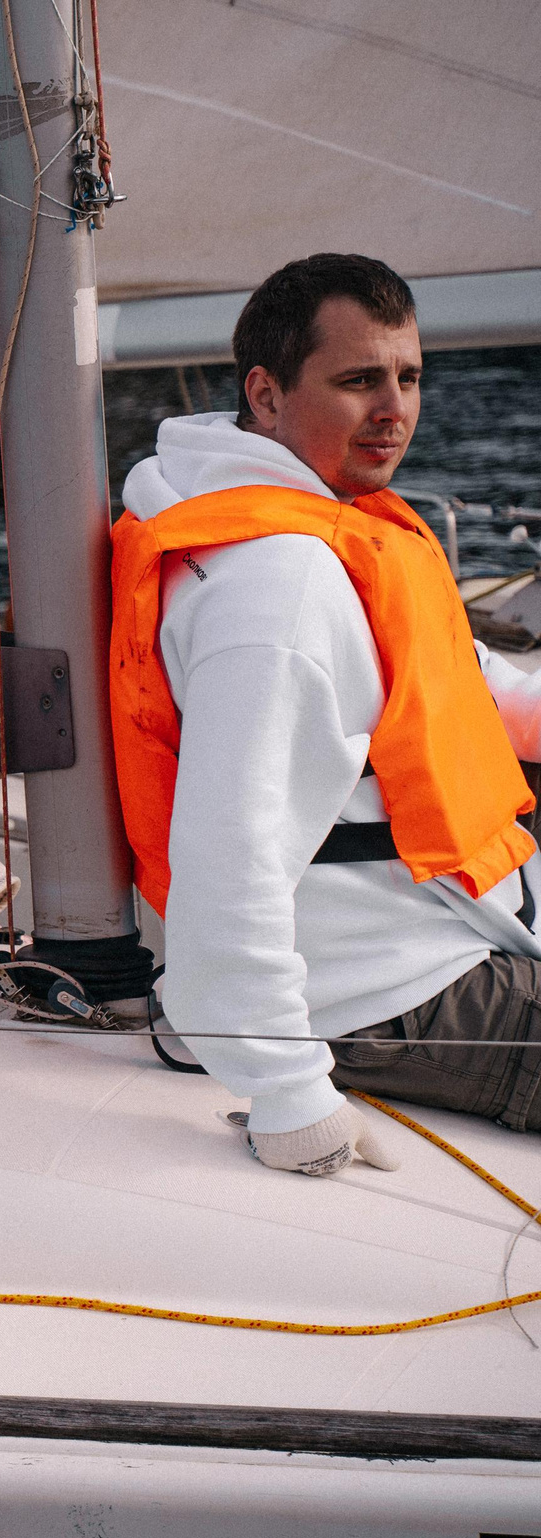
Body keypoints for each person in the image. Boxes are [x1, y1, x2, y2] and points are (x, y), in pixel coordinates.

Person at [109, 252, 541, 1175]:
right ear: (266, 396)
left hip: (434, 931)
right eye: (358, 382)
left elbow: (466, 686)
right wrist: (290, 1095)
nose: (395, 410)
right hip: (384, 988)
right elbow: (231, 856)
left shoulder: (278, 516)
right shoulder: (280, 587)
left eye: (409, 376)